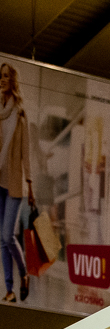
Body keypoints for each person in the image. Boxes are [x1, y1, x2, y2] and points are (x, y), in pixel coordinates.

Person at [0, 62, 31, 304]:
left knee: (7, 235)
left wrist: (30, 183)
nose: (2, 80)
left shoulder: (20, 113)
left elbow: (25, 153)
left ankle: (24, 273)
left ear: (13, 81)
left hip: (14, 182)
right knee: (2, 240)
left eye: (6, 76)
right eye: (0, 76)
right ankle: (10, 289)